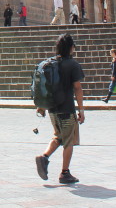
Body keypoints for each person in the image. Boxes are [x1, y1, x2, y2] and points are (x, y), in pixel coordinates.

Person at [34, 33, 85, 185]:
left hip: (53, 109)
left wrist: (41, 106)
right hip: (67, 109)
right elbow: (77, 88)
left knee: (58, 136)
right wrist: (81, 111)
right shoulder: (73, 65)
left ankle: (44, 157)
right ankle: (65, 173)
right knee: (69, 142)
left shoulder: (52, 64)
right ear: (71, 47)